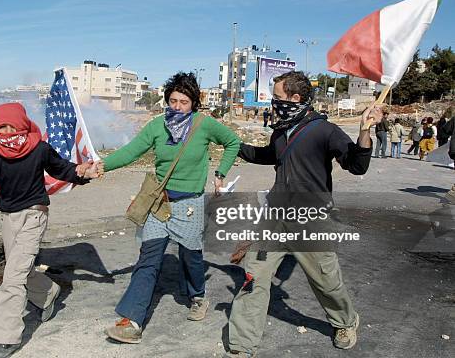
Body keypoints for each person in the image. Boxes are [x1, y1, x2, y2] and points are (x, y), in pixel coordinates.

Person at [225, 71, 383, 357]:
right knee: (254, 276)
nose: (273, 102)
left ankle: (345, 322)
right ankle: (242, 344)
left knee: (325, 280)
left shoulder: (324, 131)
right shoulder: (280, 130)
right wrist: (235, 147)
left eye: (277, 97)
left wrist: (364, 131)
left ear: (295, 98)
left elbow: (356, 165)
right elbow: (269, 156)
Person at [100, 72, 240, 344]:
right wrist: (101, 166)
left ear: (193, 103)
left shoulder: (204, 125)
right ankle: (132, 321)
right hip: (160, 203)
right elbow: (130, 152)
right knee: (148, 258)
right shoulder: (157, 126)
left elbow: (232, 142)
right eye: (173, 100)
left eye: (183, 101)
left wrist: (221, 172)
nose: (177, 106)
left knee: (191, 257)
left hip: (190, 205)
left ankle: (197, 296)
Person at [0, 102, 100, 358]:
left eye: (10, 126)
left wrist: (83, 173)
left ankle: (5, 338)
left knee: (12, 278)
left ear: (21, 124)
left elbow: (62, 169)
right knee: (19, 268)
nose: (6, 132)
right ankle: (49, 293)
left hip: (35, 215)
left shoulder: (39, 148)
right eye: (0, 127)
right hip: (9, 219)